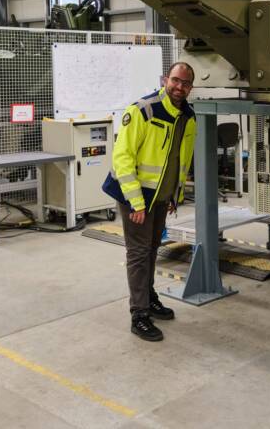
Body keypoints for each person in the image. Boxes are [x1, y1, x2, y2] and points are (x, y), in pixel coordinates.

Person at [102, 62, 196, 342]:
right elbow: (123, 158)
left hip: (161, 196)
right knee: (139, 253)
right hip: (137, 195)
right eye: (176, 80)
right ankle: (139, 315)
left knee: (153, 248)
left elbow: (179, 160)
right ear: (166, 79)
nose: (180, 87)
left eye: (186, 84)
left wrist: (174, 195)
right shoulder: (144, 110)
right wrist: (136, 202)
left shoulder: (187, 116)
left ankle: (150, 297)